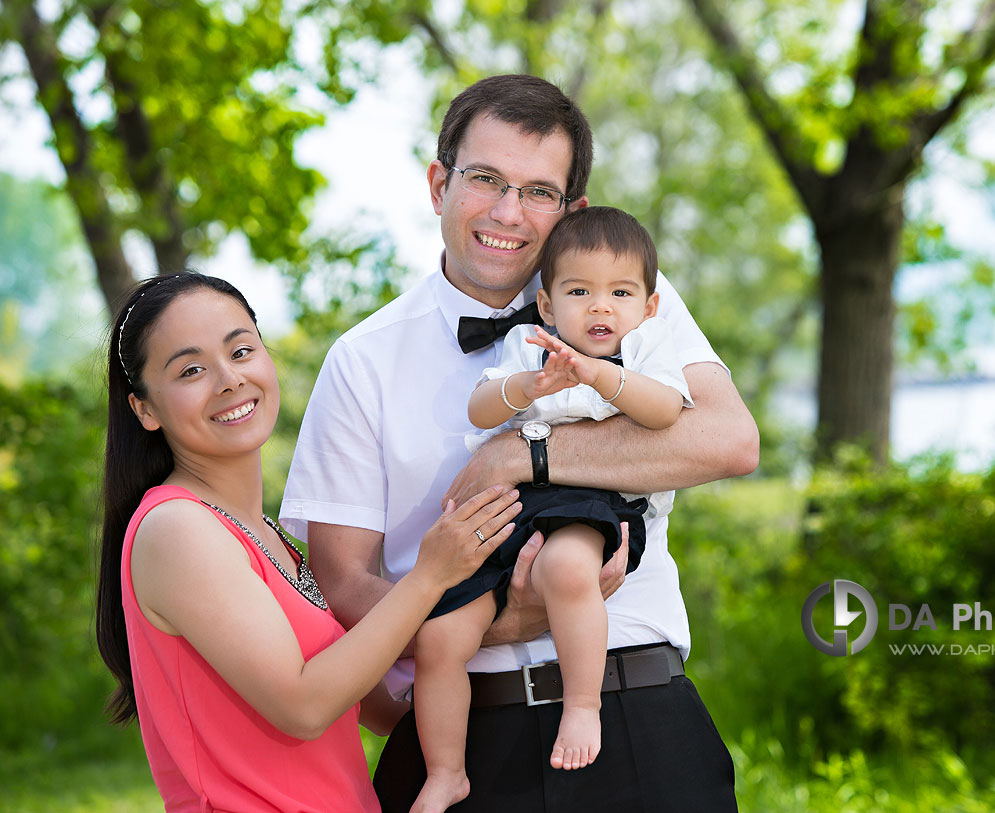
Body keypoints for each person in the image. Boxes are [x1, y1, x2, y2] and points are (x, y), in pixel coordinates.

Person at [281, 73, 758, 812]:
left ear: (575, 209)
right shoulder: (363, 358)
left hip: (637, 713)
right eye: (484, 179)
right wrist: (504, 617)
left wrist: (526, 455)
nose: (508, 211)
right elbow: (342, 583)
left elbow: (730, 441)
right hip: (458, 734)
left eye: (539, 190)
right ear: (439, 183)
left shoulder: (626, 301)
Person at [94, 272, 522, 812]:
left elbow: (378, 710)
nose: (229, 380)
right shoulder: (177, 528)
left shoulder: (267, 538)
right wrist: (431, 575)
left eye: (242, 350)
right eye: (192, 370)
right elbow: (303, 705)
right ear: (145, 409)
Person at [411, 206, 692, 811]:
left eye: (619, 293)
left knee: (567, 570)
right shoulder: (528, 344)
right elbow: (481, 410)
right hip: (507, 505)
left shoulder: (645, 349)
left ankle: (583, 706)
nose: (599, 307)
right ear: (546, 305)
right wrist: (527, 387)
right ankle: (444, 770)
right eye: (579, 291)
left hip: (591, 497)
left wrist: (599, 376)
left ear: (647, 306)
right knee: (438, 637)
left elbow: (667, 412)